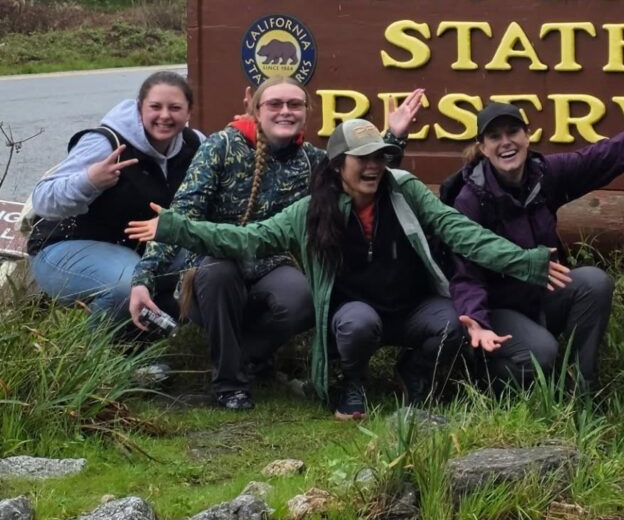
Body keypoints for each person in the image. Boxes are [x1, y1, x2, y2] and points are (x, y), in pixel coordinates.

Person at [125, 118, 570, 420]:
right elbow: (247, 240)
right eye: (363, 159)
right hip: (358, 313)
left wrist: (526, 262)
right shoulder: (310, 211)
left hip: (412, 307)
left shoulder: (405, 191)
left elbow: (463, 234)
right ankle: (349, 382)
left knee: (453, 321)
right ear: (339, 166)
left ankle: (413, 372)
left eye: (379, 156)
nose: (374, 167)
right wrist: (175, 227)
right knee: (356, 324)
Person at [128, 79, 423, 411]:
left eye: (294, 104)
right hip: (215, 266)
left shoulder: (313, 160)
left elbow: (363, 178)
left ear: (307, 112)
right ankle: (229, 385)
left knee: (306, 297)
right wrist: (144, 279)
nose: (285, 111)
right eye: (275, 104)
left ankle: (248, 358)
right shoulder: (222, 147)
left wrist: (393, 137)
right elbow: (182, 215)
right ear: (256, 109)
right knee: (218, 276)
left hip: (272, 265)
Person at [448, 85, 624, 395]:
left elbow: (613, 152)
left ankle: (580, 393)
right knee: (542, 352)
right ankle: (486, 383)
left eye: (512, 132)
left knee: (593, 283)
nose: (506, 142)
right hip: (497, 308)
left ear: (527, 136)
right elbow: (465, 273)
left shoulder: (545, 175)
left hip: (540, 295)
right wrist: (477, 320)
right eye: (494, 137)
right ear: (481, 147)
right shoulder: (471, 199)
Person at [26, 71, 201, 329]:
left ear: (188, 112)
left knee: (205, 254)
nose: (165, 115)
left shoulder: (194, 144)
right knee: (130, 283)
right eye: (155, 107)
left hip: (134, 251)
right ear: (140, 108)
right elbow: (42, 199)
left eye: (175, 108)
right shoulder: (106, 143)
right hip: (65, 248)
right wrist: (89, 181)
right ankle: (95, 356)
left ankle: (153, 338)